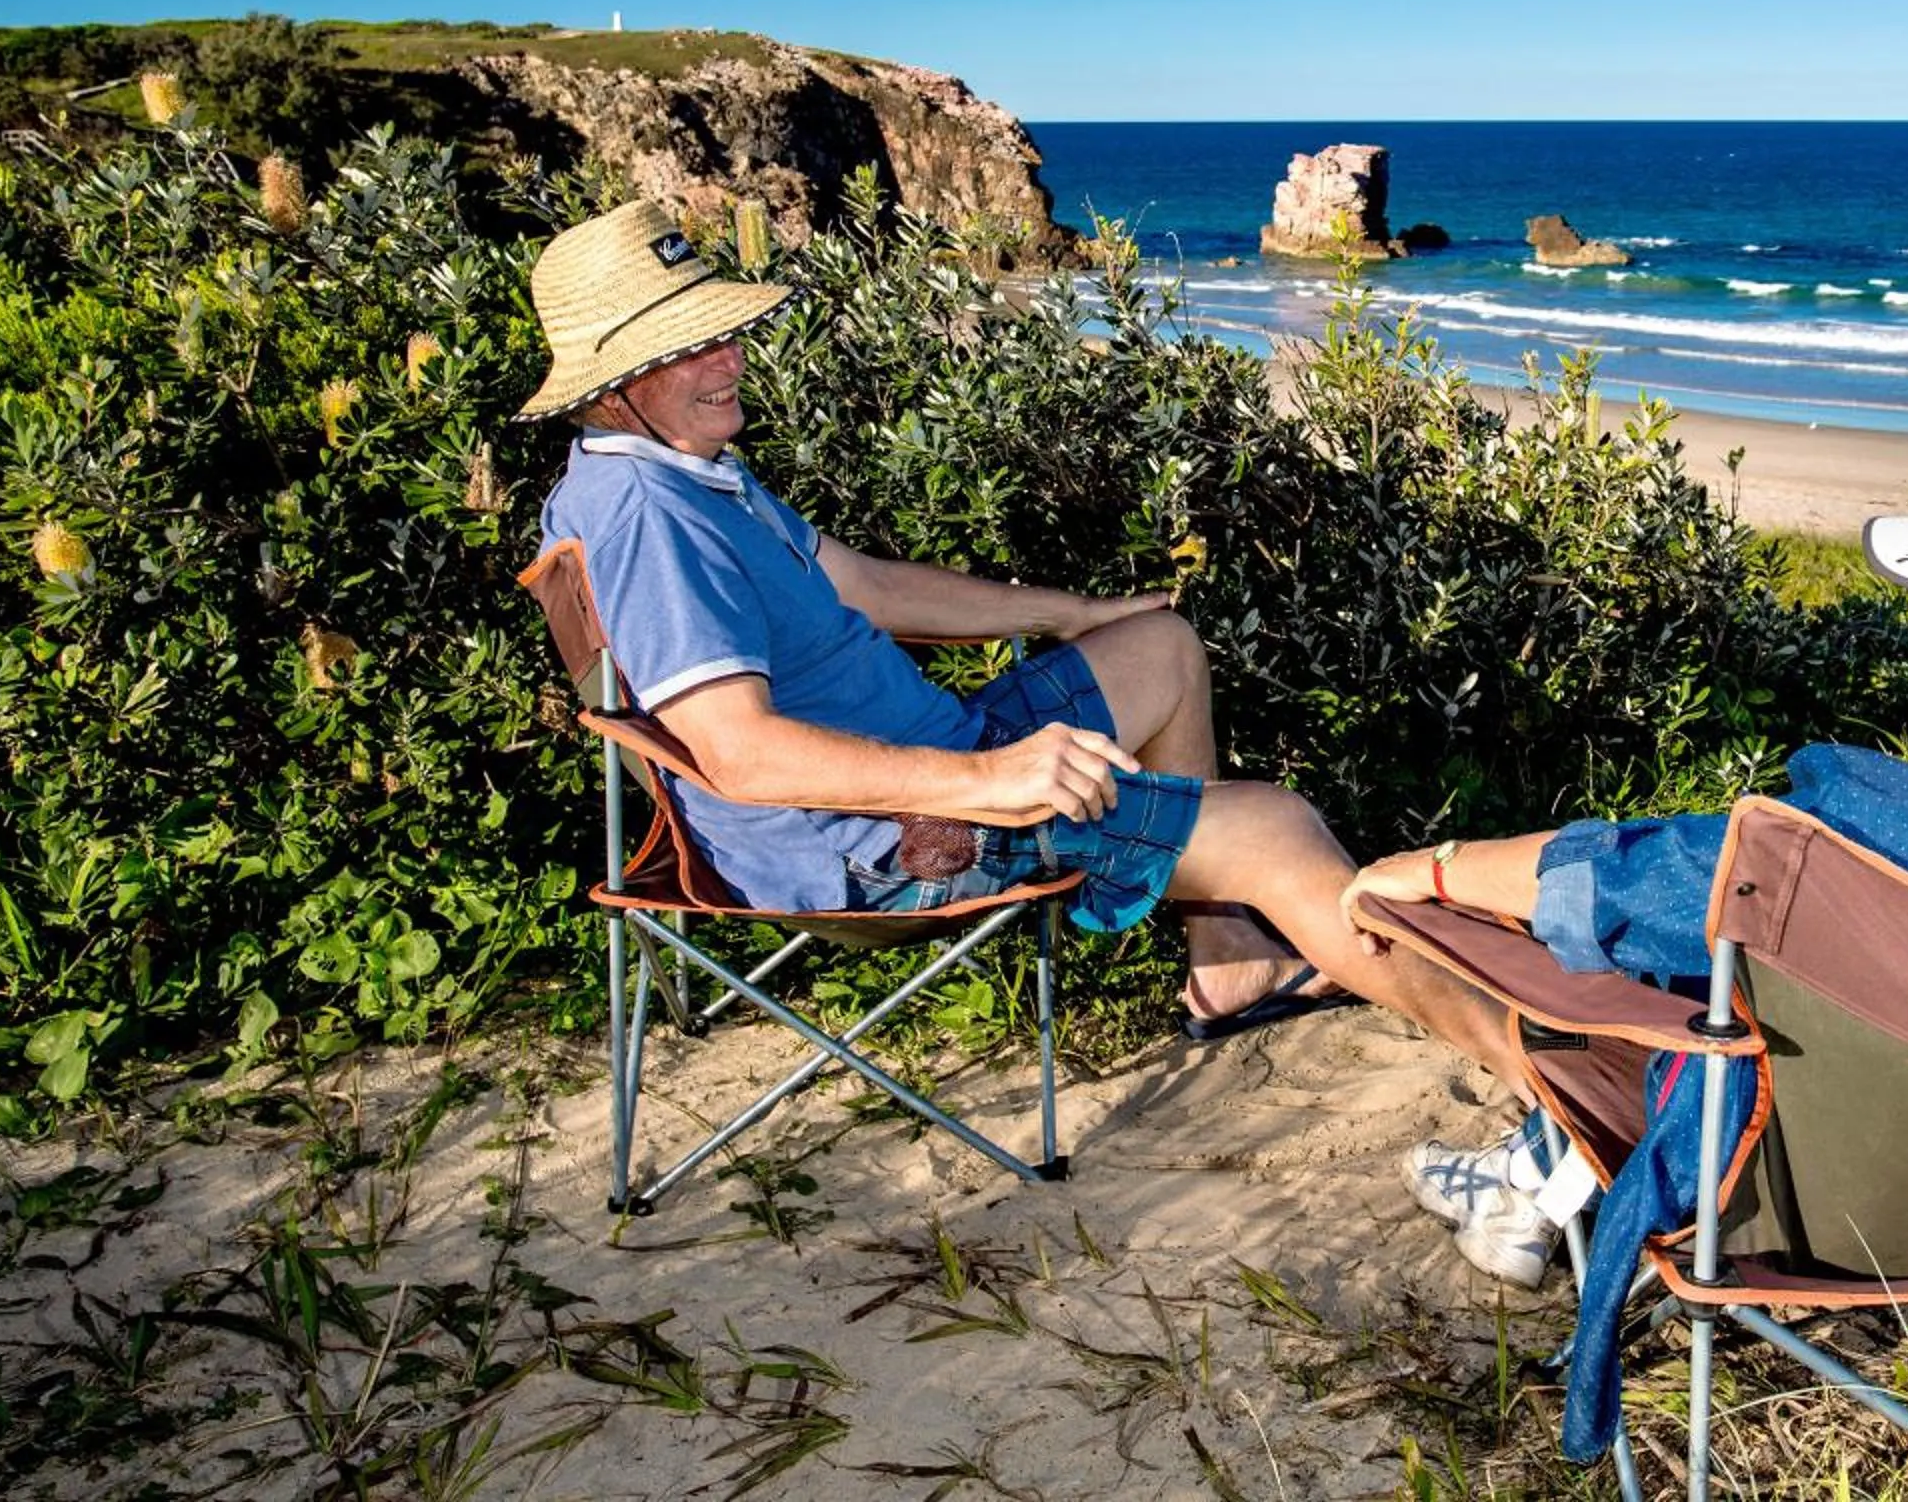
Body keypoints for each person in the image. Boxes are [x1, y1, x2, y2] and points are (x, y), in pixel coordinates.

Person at [518, 198, 1517, 1075]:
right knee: (1275, 828)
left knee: (1161, 649)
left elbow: (861, 584)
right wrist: (989, 783)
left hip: (921, 767)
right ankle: (1538, 1070)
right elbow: (736, 751)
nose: (731, 358)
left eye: (723, 331)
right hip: (868, 843)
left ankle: (1228, 960)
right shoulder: (652, 518)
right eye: (693, 346)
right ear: (613, 381)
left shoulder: (679, 469)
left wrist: (1071, 614)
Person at [1342, 454, 1908, 1289]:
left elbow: (1639, 882)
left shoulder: (1889, 837)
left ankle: (1531, 1179)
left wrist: (1438, 867)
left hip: (1826, 1222)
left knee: (1676, 976)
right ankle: (1531, 1170)